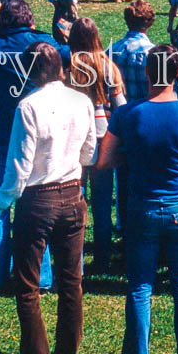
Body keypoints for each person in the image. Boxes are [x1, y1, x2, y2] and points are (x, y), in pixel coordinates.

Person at [97, 45, 178, 354]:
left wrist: (130, 157)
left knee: (140, 286)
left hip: (141, 207)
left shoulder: (126, 115)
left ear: (148, 73)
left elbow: (104, 161)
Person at [0, 43, 96, 354]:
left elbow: (19, 168)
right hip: (73, 192)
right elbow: (90, 150)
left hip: (37, 200)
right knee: (71, 283)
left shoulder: (28, 106)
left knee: (28, 290)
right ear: (61, 68)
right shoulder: (81, 101)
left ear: (30, 73)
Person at [0, 1, 67, 292]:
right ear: (31, 20)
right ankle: (41, 276)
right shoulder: (46, 44)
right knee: (36, 204)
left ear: (2, 21)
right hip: (37, 131)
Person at [68, 18, 125, 274]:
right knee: (102, 202)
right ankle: (102, 257)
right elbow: (121, 107)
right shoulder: (108, 66)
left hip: (75, 140)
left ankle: (74, 259)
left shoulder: (69, 67)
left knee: (75, 200)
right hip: (104, 139)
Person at [111, 0, 157, 104]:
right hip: (145, 112)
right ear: (150, 23)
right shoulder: (151, 53)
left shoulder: (112, 50)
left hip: (119, 112)